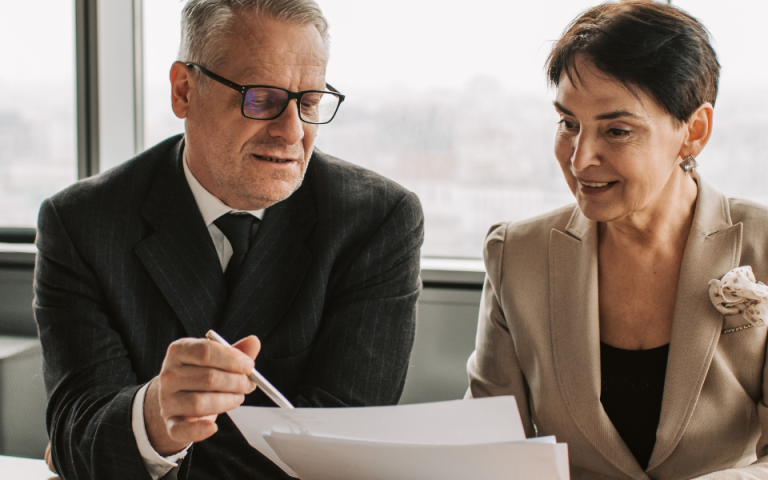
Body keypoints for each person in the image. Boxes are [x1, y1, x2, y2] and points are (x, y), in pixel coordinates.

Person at [34, 1, 423, 479]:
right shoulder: (81, 223)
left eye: (309, 102)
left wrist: (119, 449)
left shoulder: (376, 220)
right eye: (261, 98)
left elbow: (341, 448)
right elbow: (78, 426)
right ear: (183, 91)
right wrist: (154, 415)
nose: (293, 132)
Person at [466, 1, 768, 478]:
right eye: (568, 123)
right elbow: (487, 445)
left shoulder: (764, 244)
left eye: (617, 130)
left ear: (695, 131)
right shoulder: (514, 255)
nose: (580, 157)